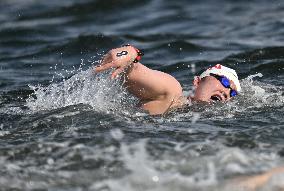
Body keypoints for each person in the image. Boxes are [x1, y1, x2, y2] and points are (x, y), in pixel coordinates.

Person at [94, 45, 241, 115]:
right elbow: (136, 72)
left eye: (232, 93)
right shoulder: (172, 94)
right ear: (197, 82)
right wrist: (131, 53)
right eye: (225, 82)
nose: (227, 91)